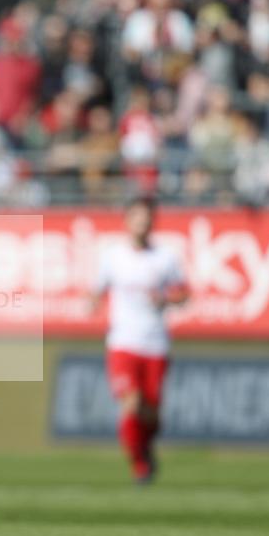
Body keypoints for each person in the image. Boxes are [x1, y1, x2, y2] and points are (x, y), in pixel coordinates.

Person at [90, 198, 188, 483]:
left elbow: (184, 294)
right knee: (130, 402)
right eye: (137, 219)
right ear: (127, 221)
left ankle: (144, 447)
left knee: (151, 412)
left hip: (155, 343)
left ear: (152, 223)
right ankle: (140, 465)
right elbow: (97, 288)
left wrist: (167, 298)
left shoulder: (165, 258)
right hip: (123, 342)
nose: (142, 225)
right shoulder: (112, 256)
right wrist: (92, 301)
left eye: (147, 220)